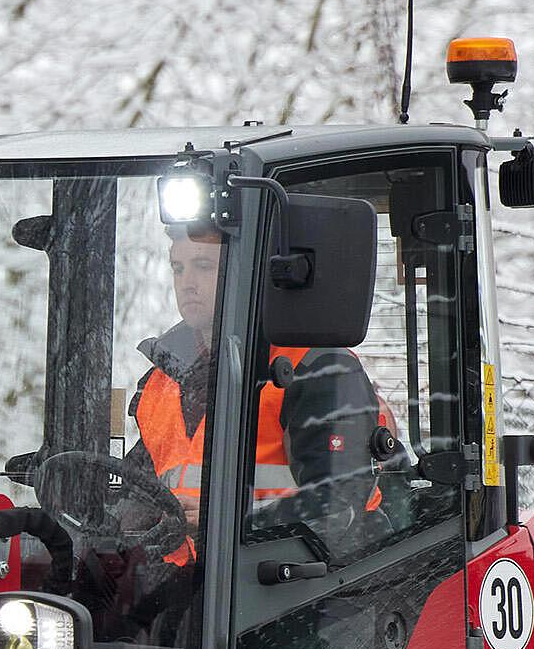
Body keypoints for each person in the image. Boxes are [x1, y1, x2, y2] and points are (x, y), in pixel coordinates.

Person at [132, 224, 397, 544]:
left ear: (250, 274)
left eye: (204, 267)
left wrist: (224, 523)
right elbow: (137, 492)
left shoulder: (318, 371)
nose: (187, 283)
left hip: (288, 581)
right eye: (178, 268)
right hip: (188, 580)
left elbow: (335, 506)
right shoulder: (160, 384)